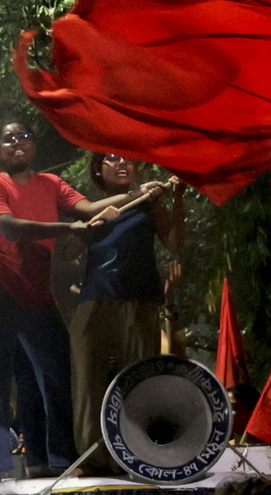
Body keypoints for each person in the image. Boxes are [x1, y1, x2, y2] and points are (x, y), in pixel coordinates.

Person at [0, 121, 166, 482]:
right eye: (8, 139)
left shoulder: (52, 184)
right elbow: (10, 226)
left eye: (24, 137)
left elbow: (90, 207)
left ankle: (63, 458)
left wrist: (137, 194)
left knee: (60, 374)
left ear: (34, 145)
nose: (18, 143)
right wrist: (66, 229)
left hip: (38, 290)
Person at [67, 152, 186, 476]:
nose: (122, 164)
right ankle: (92, 459)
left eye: (128, 160)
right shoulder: (92, 207)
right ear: (98, 169)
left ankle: (135, 455)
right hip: (95, 300)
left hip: (140, 301)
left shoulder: (149, 204)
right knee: (88, 382)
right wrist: (88, 227)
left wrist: (176, 199)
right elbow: (67, 252)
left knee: (137, 381)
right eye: (112, 159)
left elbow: (174, 243)